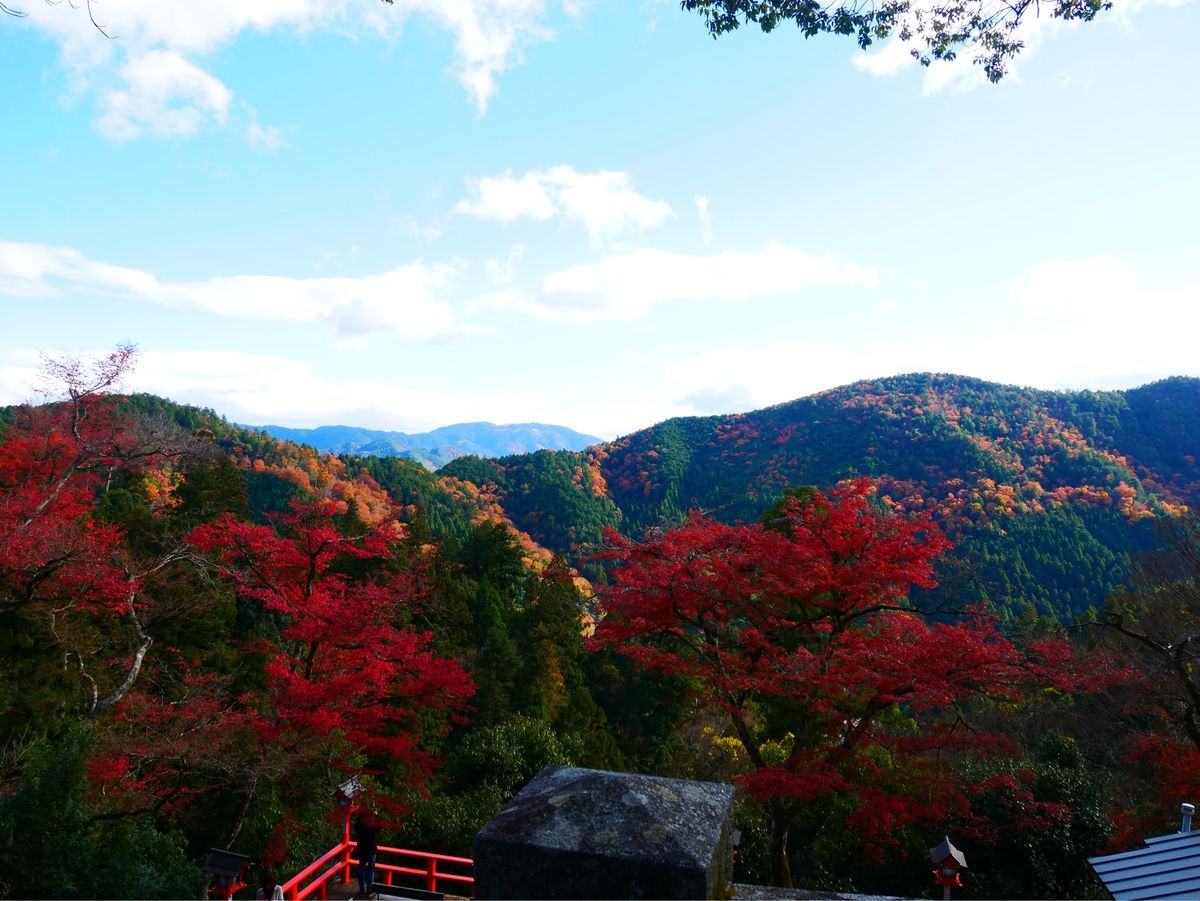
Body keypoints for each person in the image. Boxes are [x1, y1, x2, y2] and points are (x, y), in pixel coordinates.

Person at [355, 809, 379, 900]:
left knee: (361, 869)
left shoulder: (359, 827)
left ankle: (361, 890)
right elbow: (380, 825)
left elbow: (357, 822)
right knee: (371, 870)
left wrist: (360, 815)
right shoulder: (372, 828)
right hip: (371, 851)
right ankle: (369, 890)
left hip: (361, 851)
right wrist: (376, 815)